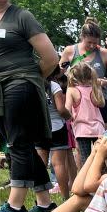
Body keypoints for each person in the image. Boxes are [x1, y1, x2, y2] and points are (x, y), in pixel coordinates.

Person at [0, 0, 60, 212]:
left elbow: (50, 57)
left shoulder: (21, 16)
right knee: (18, 140)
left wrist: (31, 79)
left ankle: (16, 207)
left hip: (20, 83)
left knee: (18, 142)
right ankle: (45, 203)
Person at [58, 18, 107, 121]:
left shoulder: (104, 53)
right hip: (76, 102)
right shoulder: (70, 51)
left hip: (98, 102)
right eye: (89, 42)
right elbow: (58, 75)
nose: (92, 46)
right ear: (82, 37)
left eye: (95, 43)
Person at [37, 69, 74, 199]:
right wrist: (70, 116)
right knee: (59, 164)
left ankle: (42, 199)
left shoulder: (34, 84)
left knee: (41, 165)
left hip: (40, 128)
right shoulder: (54, 86)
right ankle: (65, 197)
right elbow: (61, 109)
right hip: (57, 127)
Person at [66, 61, 106, 166]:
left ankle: (86, 180)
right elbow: (102, 104)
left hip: (82, 129)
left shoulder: (72, 90)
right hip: (98, 128)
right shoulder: (95, 88)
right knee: (100, 158)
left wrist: (72, 118)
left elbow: (67, 110)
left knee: (86, 160)